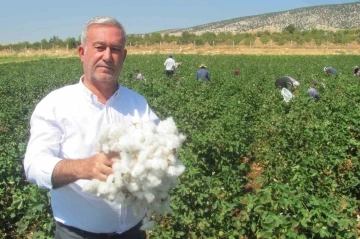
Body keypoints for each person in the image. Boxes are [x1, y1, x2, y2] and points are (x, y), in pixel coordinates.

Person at [23, 16, 158, 239]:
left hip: (134, 231)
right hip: (77, 234)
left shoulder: (138, 103)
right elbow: (34, 165)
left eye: (115, 49)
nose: (107, 56)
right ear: (82, 52)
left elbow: (159, 146)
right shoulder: (56, 104)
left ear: (123, 56)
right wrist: (84, 167)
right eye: (99, 47)